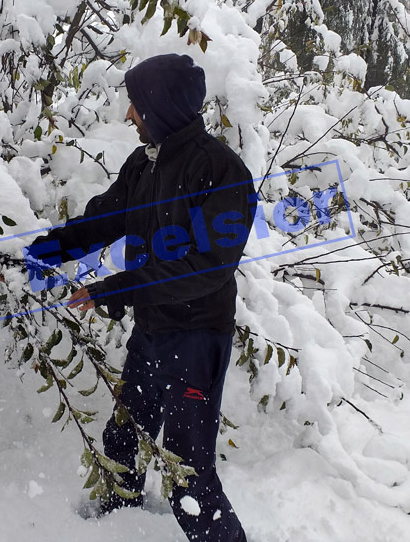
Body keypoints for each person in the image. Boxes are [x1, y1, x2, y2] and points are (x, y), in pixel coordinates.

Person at [26, 54, 254, 542]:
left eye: (137, 105)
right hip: (151, 331)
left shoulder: (220, 171)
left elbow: (207, 268)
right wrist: (43, 251)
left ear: (162, 108)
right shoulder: (144, 163)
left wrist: (117, 288)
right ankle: (116, 526)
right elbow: (104, 219)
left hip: (197, 340)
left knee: (187, 474)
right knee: (123, 440)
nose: (129, 115)